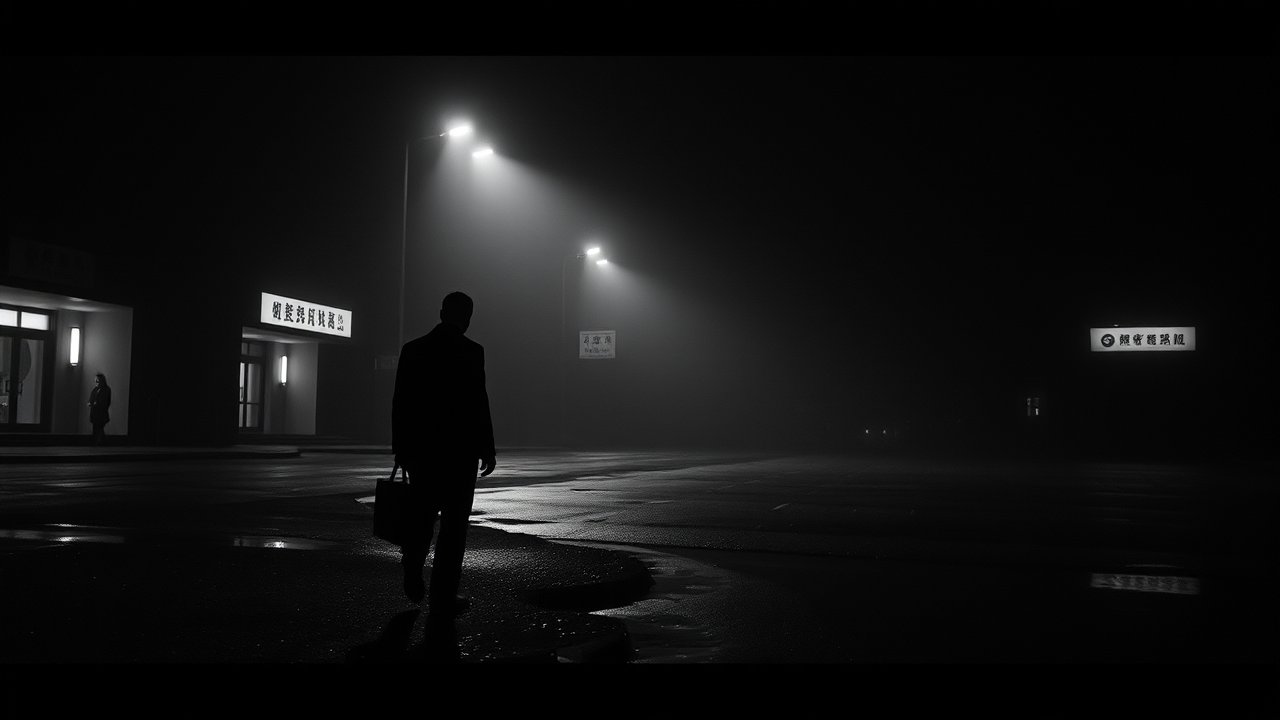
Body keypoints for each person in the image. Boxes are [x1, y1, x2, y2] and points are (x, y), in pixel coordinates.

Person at [391, 291, 496, 618]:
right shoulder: (472, 352)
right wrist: (487, 448)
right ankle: (443, 595)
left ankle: (412, 569)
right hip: (460, 454)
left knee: (420, 518)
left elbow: (401, 403)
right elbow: (479, 402)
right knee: (453, 528)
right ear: (467, 317)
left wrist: (401, 448)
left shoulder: (414, 350)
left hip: (422, 451)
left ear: (441, 312)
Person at [88, 373, 112, 444]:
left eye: (97, 380)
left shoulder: (106, 390)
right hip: (95, 413)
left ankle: (99, 443)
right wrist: (90, 403)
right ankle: (100, 443)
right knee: (97, 429)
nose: (96, 382)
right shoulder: (95, 389)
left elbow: (105, 402)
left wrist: (96, 404)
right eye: (95, 380)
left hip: (101, 413)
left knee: (98, 429)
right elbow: (91, 399)